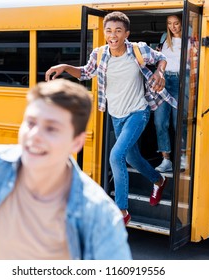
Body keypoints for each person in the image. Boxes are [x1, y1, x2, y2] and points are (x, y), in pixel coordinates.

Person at [0, 79, 132, 260]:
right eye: (31, 122)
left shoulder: (99, 215)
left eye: (51, 128)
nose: (35, 135)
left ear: (77, 143)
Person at [45, 11, 176, 225]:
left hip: (138, 111)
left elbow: (161, 58)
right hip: (116, 115)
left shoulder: (137, 50)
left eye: (118, 31)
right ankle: (159, 180)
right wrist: (65, 67)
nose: (112, 35)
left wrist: (159, 72)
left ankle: (122, 211)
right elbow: (86, 73)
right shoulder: (99, 54)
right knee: (132, 158)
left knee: (116, 156)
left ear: (126, 34)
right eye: (108, 31)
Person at [154, 14, 186, 173]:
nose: (173, 27)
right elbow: (159, 60)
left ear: (182, 23)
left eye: (176, 23)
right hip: (164, 80)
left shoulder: (191, 38)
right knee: (160, 122)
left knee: (178, 122)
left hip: (182, 81)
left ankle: (183, 157)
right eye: (170, 24)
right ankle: (166, 160)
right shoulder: (164, 37)